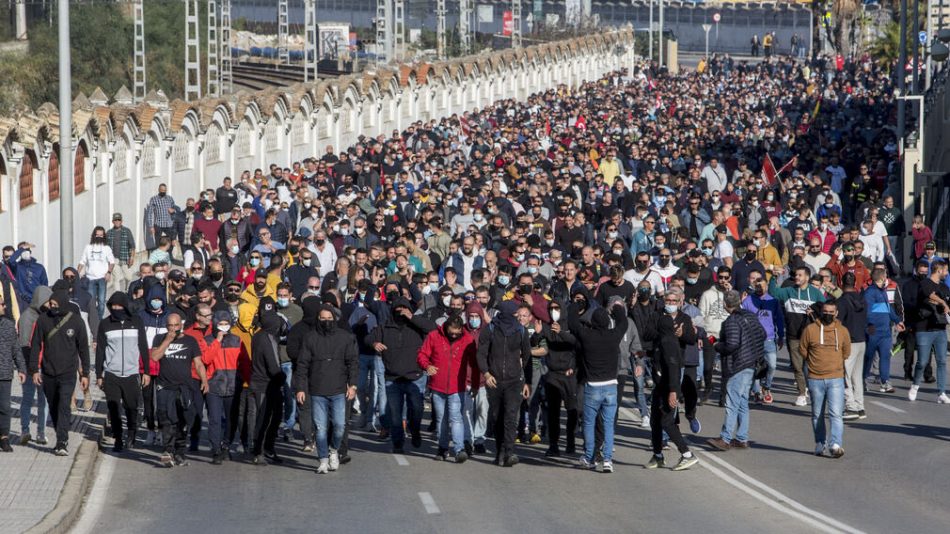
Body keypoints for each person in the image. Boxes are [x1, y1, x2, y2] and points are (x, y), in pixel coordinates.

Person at [294, 304, 358, 474]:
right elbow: (302, 365)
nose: (326, 321)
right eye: (323, 319)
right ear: (318, 319)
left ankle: (334, 451)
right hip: (317, 391)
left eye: (330, 319)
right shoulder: (310, 338)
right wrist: (300, 388)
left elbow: (352, 362)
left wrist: (353, 385)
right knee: (321, 429)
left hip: (339, 390)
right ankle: (322, 460)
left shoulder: (345, 337)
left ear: (335, 319)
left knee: (339, 426)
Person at [569, 297, 628, 472]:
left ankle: (589, 457)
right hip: (611, 385)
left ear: (593, 322)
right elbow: (623, 323)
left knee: (588, 423)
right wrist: (617, 309)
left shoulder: (587, 336)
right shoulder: (613, 336)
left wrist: (577, 305)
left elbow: (572, 323)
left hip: (593, 385)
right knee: (608, 424)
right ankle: (608, 459)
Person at [369, 298, 436, 453]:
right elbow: (369, 337)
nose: (401, 313)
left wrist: (412, 318)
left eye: (404, 310)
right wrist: (374, 344)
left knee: (417, 409)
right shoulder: (385, 327)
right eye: (397, 310)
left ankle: (415, 430)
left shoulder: (417, 325)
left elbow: (433, 329)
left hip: (416, 376)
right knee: (396, 414)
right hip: (393, 379)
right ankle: (398, 443)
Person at [28, 290, 91, 456]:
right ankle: (60, 434)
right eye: (51, 304)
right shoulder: (43, 319)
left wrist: (85, 374)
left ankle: (62, 441)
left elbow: (83, 348)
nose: (53, 308)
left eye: (56, 305)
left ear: (63, 303)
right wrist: (34, 369)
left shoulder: (76, 321)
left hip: (68, 372)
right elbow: (35, 345)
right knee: (54, 406)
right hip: (48, 372)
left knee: (64, 405)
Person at [646, 290, 699, 471]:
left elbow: (675, 366)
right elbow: (648, 333)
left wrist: (673, 391)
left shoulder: (680, 325)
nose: (670, 303)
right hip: (661, 377)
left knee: (667, 420)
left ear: (680, 301)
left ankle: (686, 454)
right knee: (655, 419)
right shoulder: (659, 320)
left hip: (672, 377)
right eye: (667, 300)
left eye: (673, 300)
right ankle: (658, 454)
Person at [707, 290, 765, 451]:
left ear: (725, 304)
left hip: (738, 364)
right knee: (742, 402)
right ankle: (741, 438)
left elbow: (731, 344)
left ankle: (725, 438)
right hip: (751, 363)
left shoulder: (731, 321)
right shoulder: (750, 316)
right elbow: (762, 333)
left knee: (732, 402)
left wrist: (717, 345)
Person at [476, 300, 532, 467]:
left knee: (510, 417)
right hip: (494, 381)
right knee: (498, 417)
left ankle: (509, 452)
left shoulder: (520, 331)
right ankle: (500, 452)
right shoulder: (491, 329)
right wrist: (486, 373)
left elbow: (527, 356)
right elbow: (481, 354)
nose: (517, 317)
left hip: (515, 381)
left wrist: (526, 382)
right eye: (515, 313)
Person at [417, 312, 478, 462]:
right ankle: (443, 448)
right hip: (437, 385)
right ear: (446, 328)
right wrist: (427, 366)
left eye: (457, 334)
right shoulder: (433, 336)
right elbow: (422, 354)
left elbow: (475, 364)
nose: (454, 336)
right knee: (441, 419)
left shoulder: (467, 339)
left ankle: (459, 449)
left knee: (456, 418)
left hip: (457, 387)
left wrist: (475, 384)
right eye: (451, 333)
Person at [149, 312, 208, 467]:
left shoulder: (190, 341)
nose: (173, 329)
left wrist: (204, 380)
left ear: (181, 325)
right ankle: (168, 451)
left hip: (184, 387)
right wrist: (167, 341)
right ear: (166, 326)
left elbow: (199, 363)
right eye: (170, 326)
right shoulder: (160, 338)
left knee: (183, 420)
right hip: (165, 386)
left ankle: (180, 452)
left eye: (176, 325)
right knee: (166, 419)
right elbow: (154, 357)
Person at [95, 292, 149, 453]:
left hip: (132, 373)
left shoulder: (136, 321)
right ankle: (118, 438)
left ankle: (131, 434)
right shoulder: (105, 324)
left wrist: (145, 371)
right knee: (114, 408)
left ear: (125, 306)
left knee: (131, 407)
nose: (116, 309)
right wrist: (99, 374)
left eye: (119, 306)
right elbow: (100, 351)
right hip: (112, 373)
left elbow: (143, 347)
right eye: (113, 306)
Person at [800, 299, 851, 458]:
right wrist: (815, 363)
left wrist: (834, 364)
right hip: (815, 378)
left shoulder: (842, 331)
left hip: (835, 378)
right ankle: (820, 443)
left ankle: (835, 444)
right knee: (817, 414)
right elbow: (803, 349)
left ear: (836, 313)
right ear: (821, 312)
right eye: (825, 312)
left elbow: (846, 352)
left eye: (831, 312)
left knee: (836, 414)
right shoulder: (810, 329)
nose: (828, 314)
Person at [769, 265, 826, 406]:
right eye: (796, 275)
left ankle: (814, 390)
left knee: (811, 365)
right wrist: (773, 277)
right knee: (797, 366)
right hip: (793, 335)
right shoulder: (789, 291)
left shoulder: (815, 293)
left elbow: (826, 310)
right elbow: (773, 292)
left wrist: (814, 314)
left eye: (800, 275)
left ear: (807, 277)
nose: (797, 277)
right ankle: (801, 393)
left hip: (811, 336)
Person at [202, 311, 246, 464]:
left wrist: (245, 381)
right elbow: (206, 359)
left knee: (231, 419)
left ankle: (226, 446)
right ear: (214, 324)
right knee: (214, 419)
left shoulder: (236, 340)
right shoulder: (208, 340)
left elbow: (244, 363)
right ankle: (216, 450)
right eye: (220, 323)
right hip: (214, 386)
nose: (223, 326)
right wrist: (217, 341)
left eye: (226, 323)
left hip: (233, 386)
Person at [248, 301, 288, 464]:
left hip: (263, 383)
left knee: (273, 417)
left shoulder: (259, 335)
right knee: (266, 419)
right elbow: (273, 365)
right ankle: (259, 451)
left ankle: (267, 448)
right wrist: (282, 378)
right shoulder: (268, 339)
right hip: (266, 384)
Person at [908, 259, 950, 403]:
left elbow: (947, 304)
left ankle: (942, 392)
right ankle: (915, 385)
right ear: (939, 270)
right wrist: (942, 302)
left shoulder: (945, 287)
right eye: (946, 270)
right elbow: (929, 294)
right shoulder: (925, 283)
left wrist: (946, 306)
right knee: (922, 361)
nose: (947, 273)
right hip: (924, 328)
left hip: (940, 329)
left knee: (942, 361)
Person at [17, 286, 51, 445]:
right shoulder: (26, 317)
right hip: (30, 366)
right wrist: (26, 368)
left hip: (44, 365)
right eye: (47, 301)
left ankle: (41, 432)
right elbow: (24, 344)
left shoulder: (46, 316)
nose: (50, 305)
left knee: (43, 400)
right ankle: (25, 430)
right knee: (28, 399)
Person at [864, 269, 904, 394]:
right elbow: (867, 312)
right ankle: (862, 379)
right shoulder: (869, 293)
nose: (887, 278)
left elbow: (888, 309)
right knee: (868, 358)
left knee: (885, 357)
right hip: (873, 331)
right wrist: (870, 326)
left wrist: (898, 321)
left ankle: (885, 382)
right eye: (886, 276)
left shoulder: (883, 292)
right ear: (881, 278)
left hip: (885, 332)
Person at [0, 293, 26, 452]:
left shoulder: (9, 325)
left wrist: (21, 368)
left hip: (4, 374)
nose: (5, 306)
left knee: (4, 407)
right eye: (2, 304)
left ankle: (4, 437)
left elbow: (16, 349)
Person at [105, 213, 136, 294]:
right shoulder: (109, 232)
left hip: (125, 258)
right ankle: (117, 295)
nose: (117, 221)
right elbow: (106, 247)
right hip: (114, 259)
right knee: (116, 278)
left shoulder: (127, 231)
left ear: (121, 221)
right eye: (115, 220)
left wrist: (132, 257)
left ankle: (126, 289)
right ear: (113, 221)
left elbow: (132, 246)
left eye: (119, 220)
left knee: (128, 277)